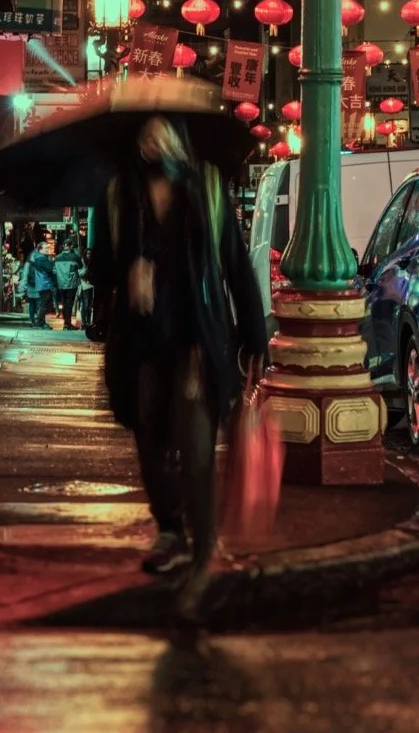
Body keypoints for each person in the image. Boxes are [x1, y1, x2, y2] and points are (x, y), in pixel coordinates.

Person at [91, 115, 268, 619]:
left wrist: (254, 334)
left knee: (193, 442)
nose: (156, 141)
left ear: (180, 140)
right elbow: (97, 264)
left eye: (165, 132)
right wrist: (128, 270)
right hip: (142, 339)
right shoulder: (117, 192)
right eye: (146, 133)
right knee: (149, 435)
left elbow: (234, 263)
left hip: (196, 338)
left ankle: (202, 548)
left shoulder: (207, 189)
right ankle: (169, 527)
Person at [21, 236, 56, 328]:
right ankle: (38, 322)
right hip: (44, 284)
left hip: (39, 284)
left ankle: (39, 321)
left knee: (39, 303)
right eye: (46, 248)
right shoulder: (42, 258)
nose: (48, 250)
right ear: (40, 249)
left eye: (48, 248)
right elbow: (50, 269)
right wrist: (52, 262)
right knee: (43, 304)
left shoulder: (36, 258)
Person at [53, 237, 86, 330]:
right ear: (71, 246)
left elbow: (54, 271)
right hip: (72, 284)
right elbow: (80, 269)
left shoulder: (57, 257)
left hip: (61, 284)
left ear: (64, 246)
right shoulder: (75, 257)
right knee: (70, 304)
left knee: (63, 303)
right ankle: (68, 323)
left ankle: (66, 323)